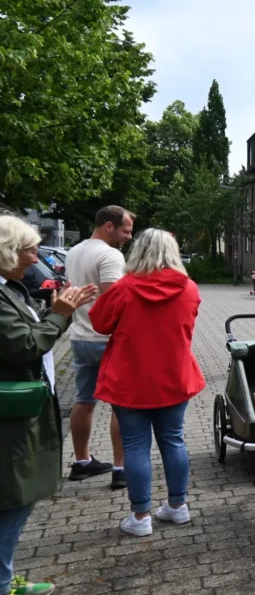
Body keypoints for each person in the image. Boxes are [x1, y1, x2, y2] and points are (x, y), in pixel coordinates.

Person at [0, 215, 97, 595]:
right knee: (10, 500)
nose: (35, 255)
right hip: (10, 412)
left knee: (16, 499)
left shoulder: (8, 290)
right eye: (28, 248)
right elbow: (23, 345)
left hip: (20, 408)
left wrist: (53, 311)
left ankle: (5, 579)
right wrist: (60, 314)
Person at [88, 229, 205, 536]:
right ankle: (177, 507)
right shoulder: (189, 288)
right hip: (174, 377)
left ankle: (141, 517)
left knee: (135, 446)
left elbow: (100, 324)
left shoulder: (124, 288)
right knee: (173, 440)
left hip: (131, 380)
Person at [63, 206, 133, 488]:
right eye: (125, 230)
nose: (128, 236)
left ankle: (82, 462)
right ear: (108, 226)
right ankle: (121, 469)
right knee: (122, 406)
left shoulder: (75, 251)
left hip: (79, 336)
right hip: (107, 340)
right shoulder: (109, 255)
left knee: (84, 400)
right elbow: (115, 300)